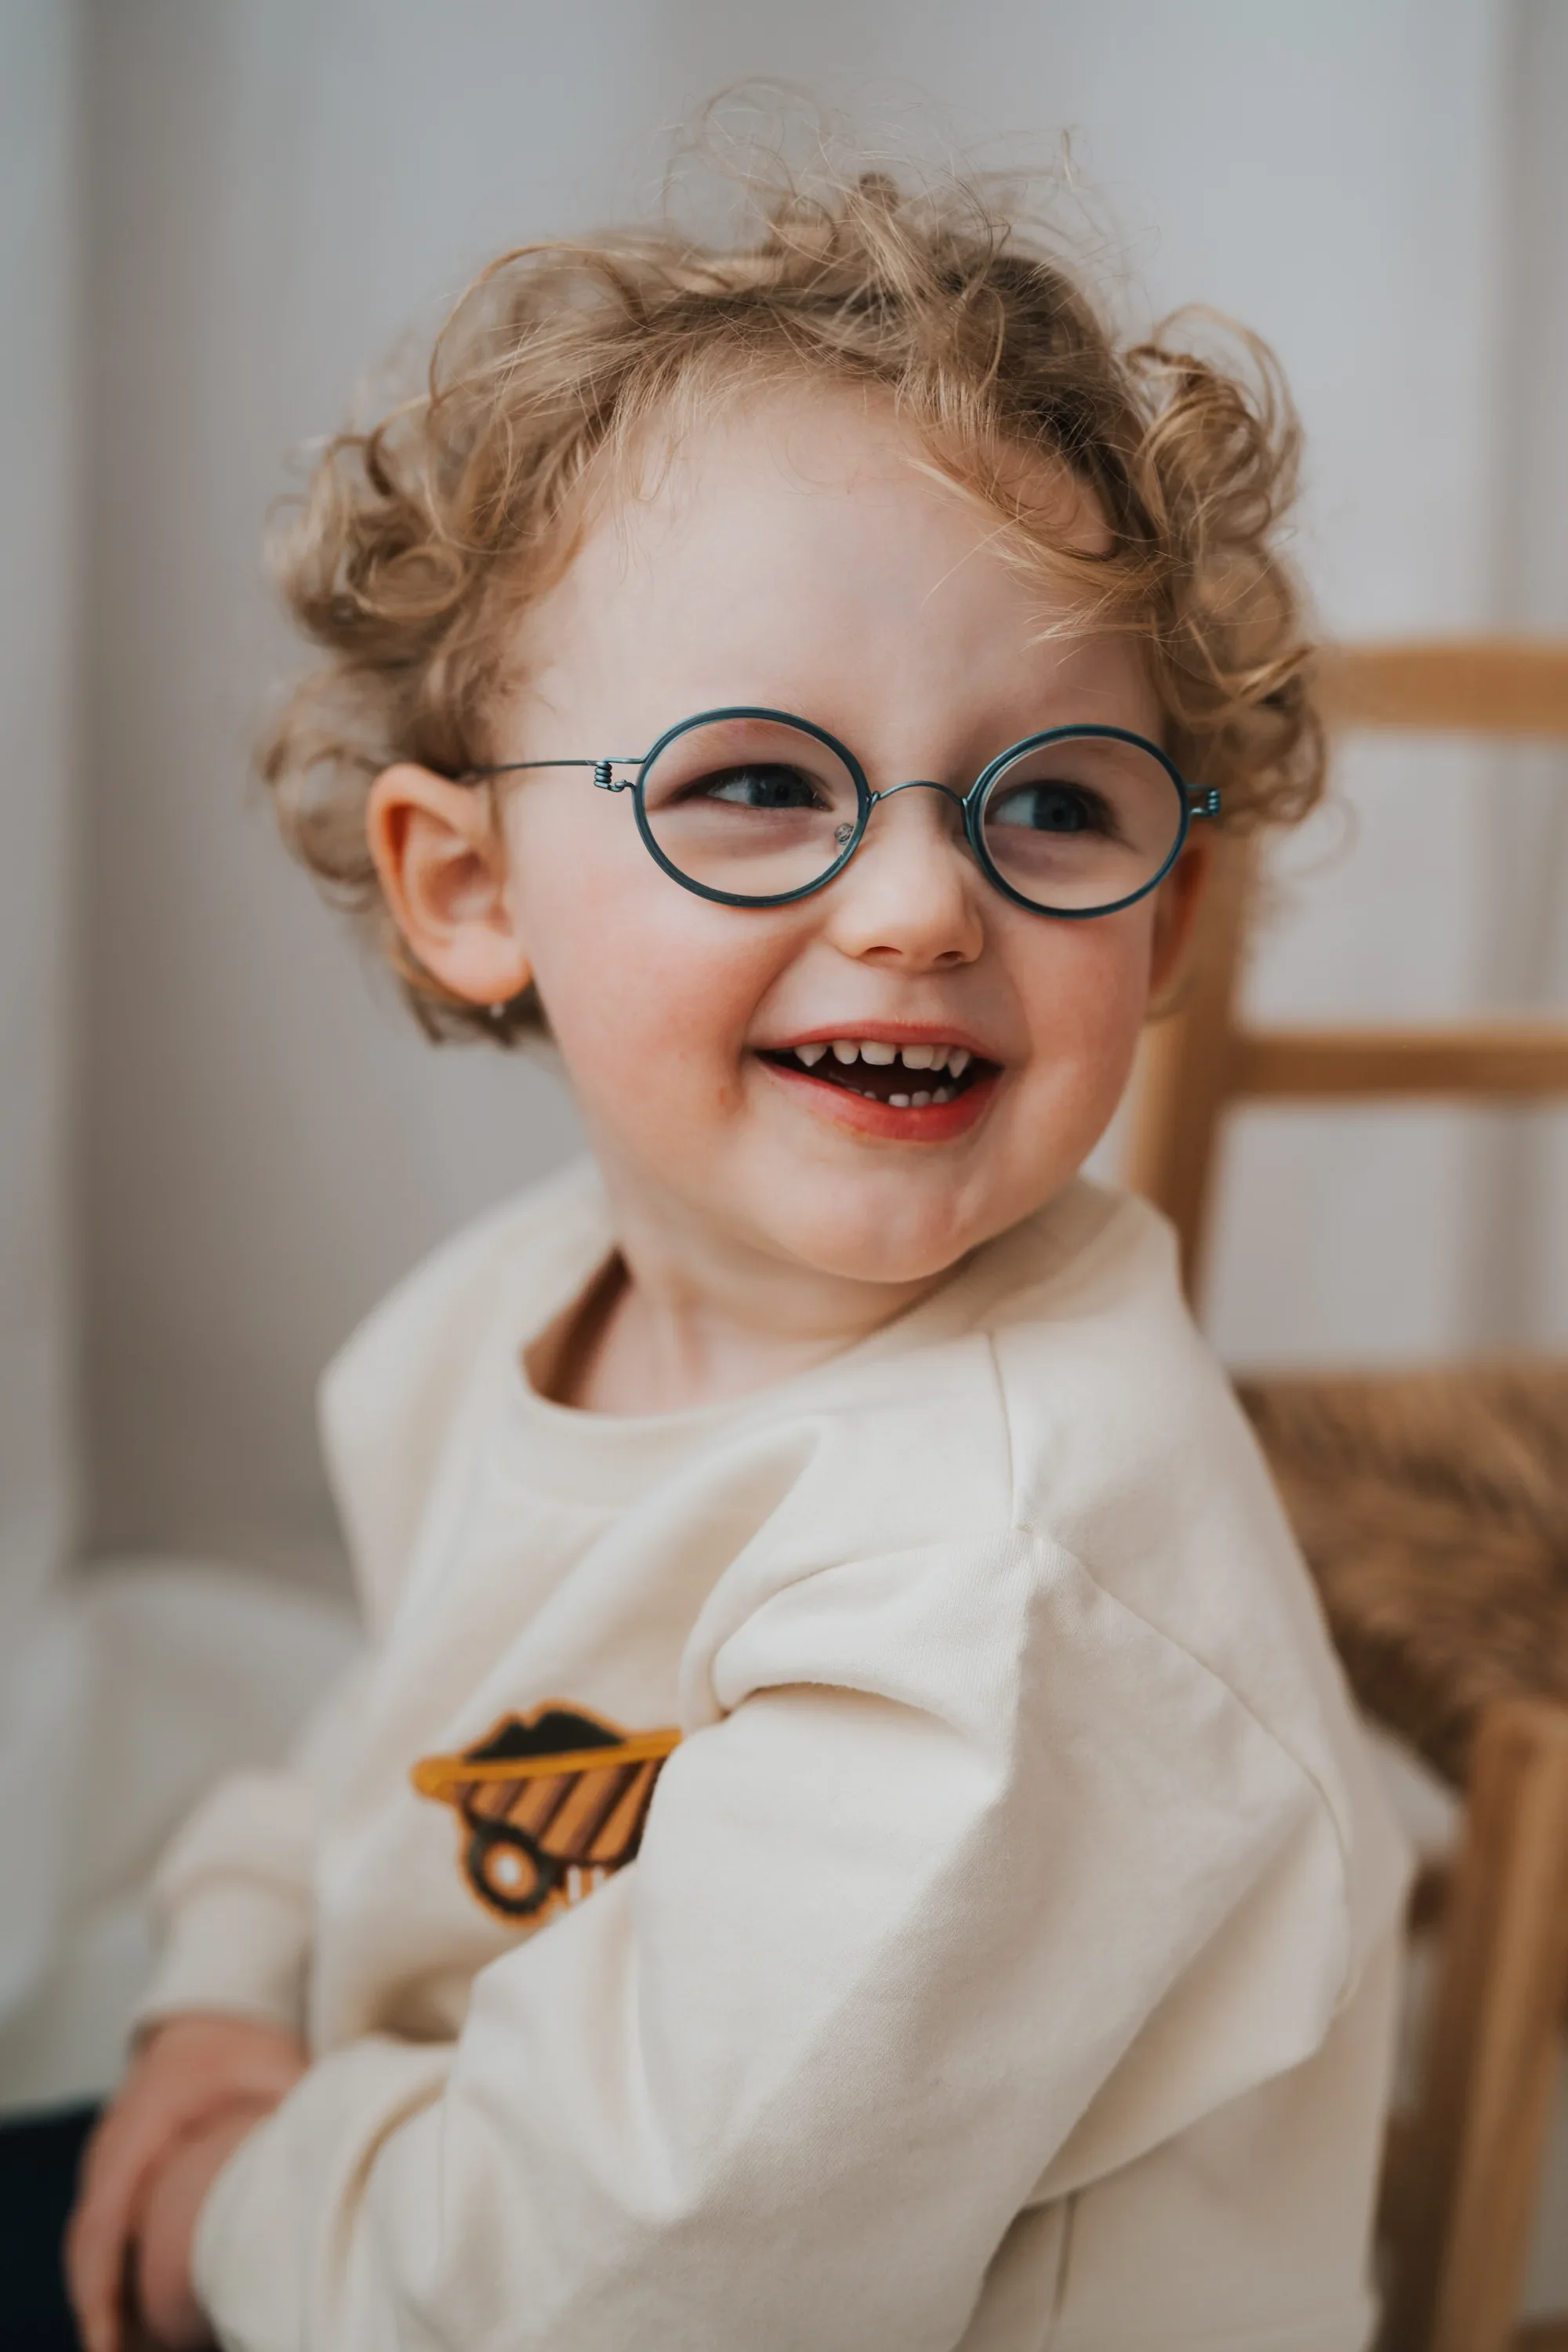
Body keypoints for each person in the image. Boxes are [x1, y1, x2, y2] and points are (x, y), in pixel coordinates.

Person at [65, 160, 1410, 2352]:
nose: (916, 908)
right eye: (761, 781)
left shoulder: (1011, 1582)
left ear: (1161, 927)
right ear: (468, 883)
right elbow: (403, 1735)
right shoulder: (507, 1314)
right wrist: (220, 1999)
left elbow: (615, 2286)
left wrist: (246, 2199)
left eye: (1055, 803)